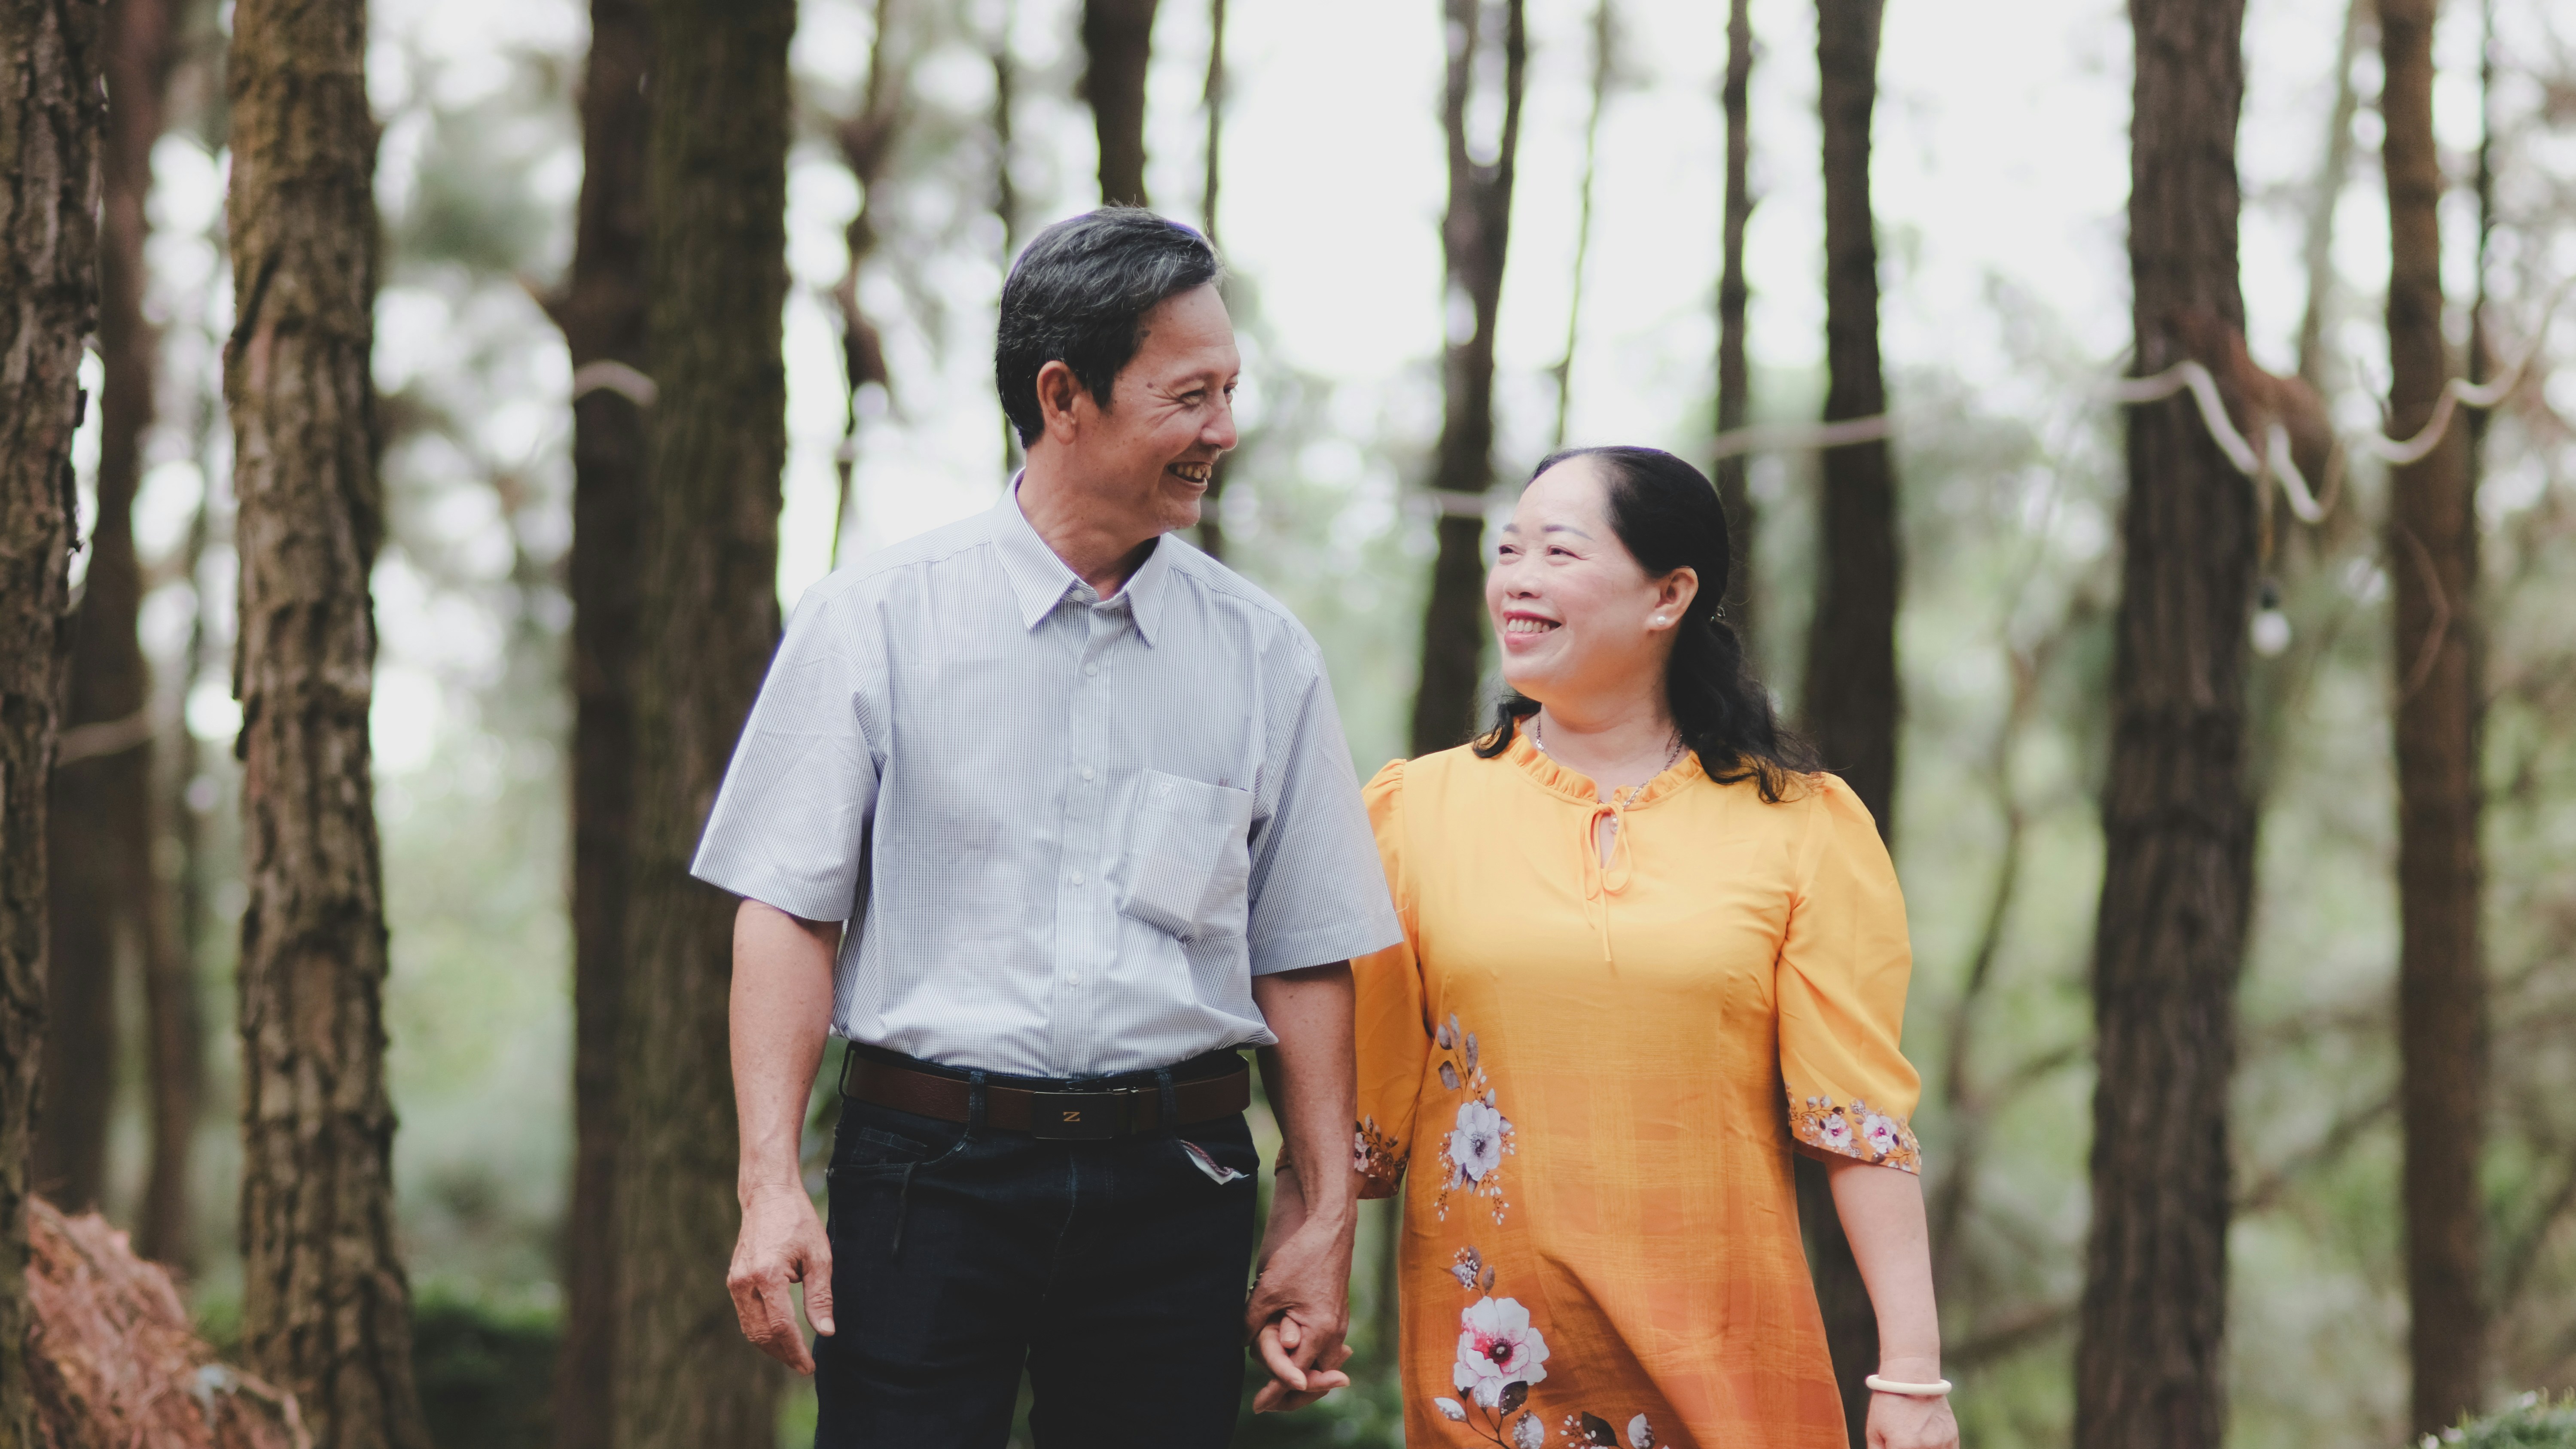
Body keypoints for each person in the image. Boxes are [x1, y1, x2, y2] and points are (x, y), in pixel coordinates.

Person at [695, 208, 1402, 1445]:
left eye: (1230, 390)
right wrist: (768, 1182)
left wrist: (1320, 1206)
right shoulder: (873, 620)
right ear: (1062, 394)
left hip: (1176, 1177)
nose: (1222, 431)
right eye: (1189, 395)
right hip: (923, 1174)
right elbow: (787, 909)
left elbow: (1300, 950)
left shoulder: (1264, 655)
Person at [1351, 446, 1960, 1449]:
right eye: (1508, 549)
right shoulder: (1414, 812)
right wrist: (1304, 1259)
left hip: (1730, 1379)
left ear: (1668, 594)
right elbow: (1360, 1100)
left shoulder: (1800, 824)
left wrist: (1910, 1374)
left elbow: (1858, 1121)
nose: (1517, 576)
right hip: (1492, 1386)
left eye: (1558, 549)